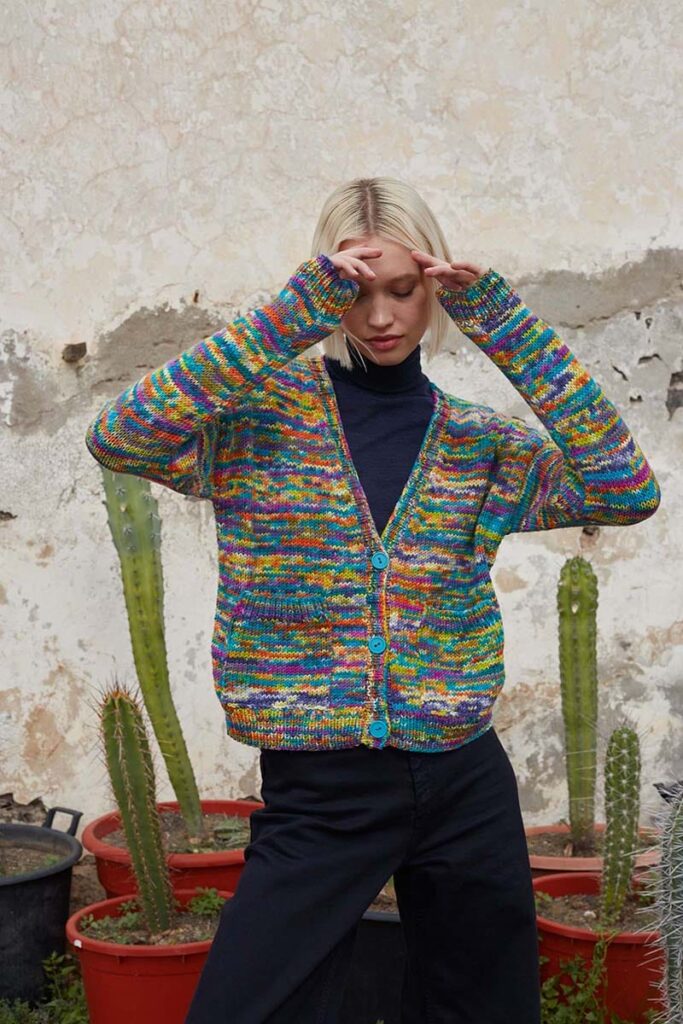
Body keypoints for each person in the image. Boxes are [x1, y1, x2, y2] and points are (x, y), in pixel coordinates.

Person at [84, 176, 661, 1023]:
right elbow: (120, 436)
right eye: (355, 294)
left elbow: (623, 488)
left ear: (434, 289)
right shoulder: (257, 422)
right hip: (323, 789)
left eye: (403, 290)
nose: (381, 317)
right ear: (325, 293)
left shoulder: (479, 443)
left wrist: (508, 327)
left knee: (484, 1009)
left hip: (462, 775)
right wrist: (289, 316)